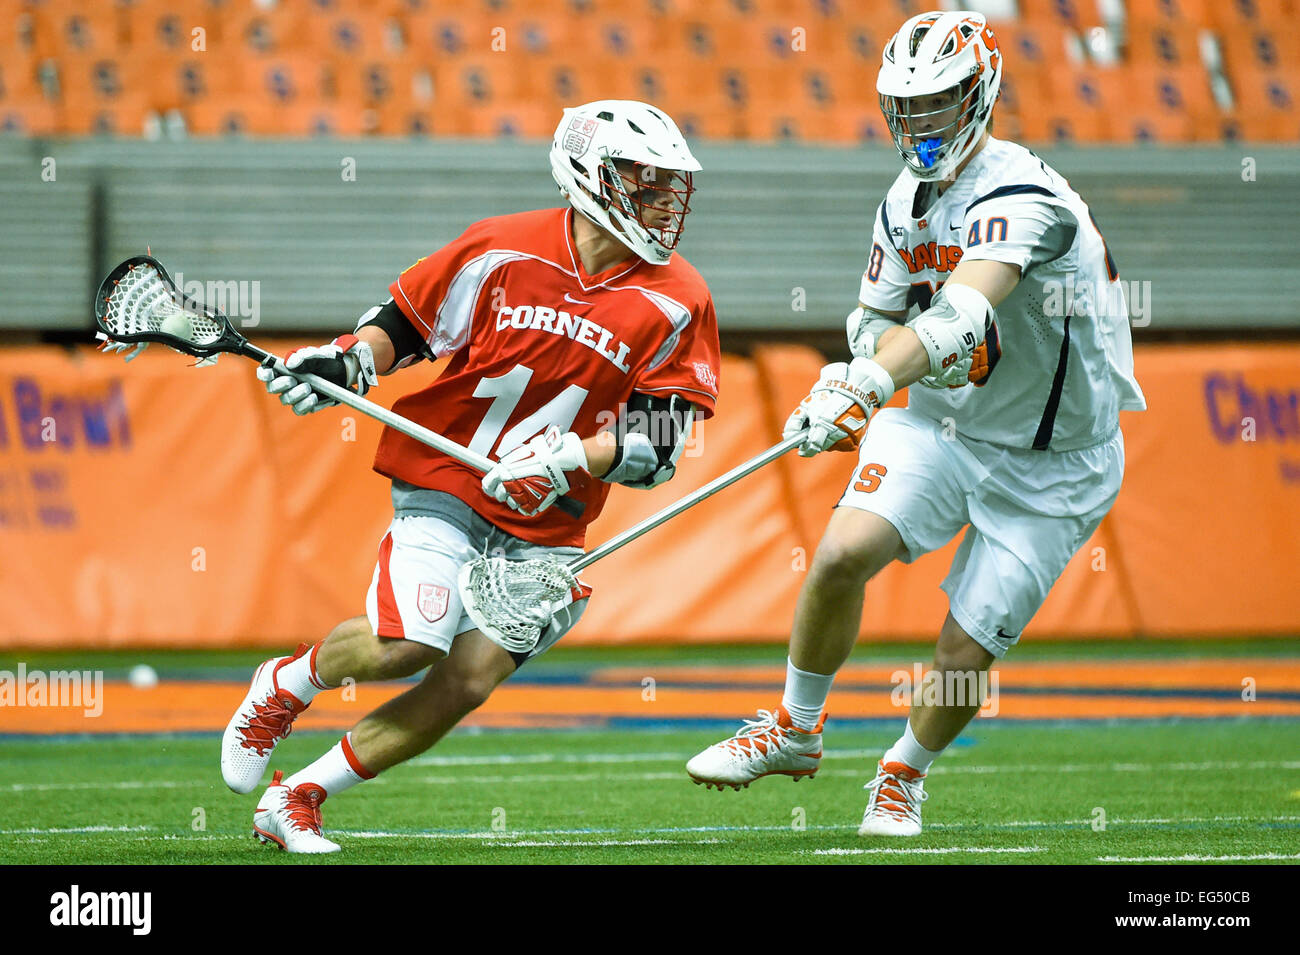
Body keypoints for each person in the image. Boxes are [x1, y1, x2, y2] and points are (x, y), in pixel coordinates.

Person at [685, 10, 1145, 836]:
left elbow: (964, 313)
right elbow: (872, 319)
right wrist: (850, 371)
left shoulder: (1025, 193)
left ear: (981, 93)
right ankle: (793, 727)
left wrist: (868, 376)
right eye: (910, 104)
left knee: (965, 654)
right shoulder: (904, 201)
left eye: (941, 100)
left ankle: (903, 772)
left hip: (1056, 457)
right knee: (839, 554)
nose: (924, 122)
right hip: (948, 425)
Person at [219, 100, 721, 853]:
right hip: (450, 475)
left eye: (665, 184)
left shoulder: (680, 296)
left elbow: (665, 437)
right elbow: (403, 327)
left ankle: (298, 797)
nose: (660, 199)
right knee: (409, 643)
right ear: (588, 174)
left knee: (470, 676)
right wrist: (346, 363)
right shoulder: (503, 246)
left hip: (551, 517)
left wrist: (571, 458)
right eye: (640, 180)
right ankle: (285, 685)